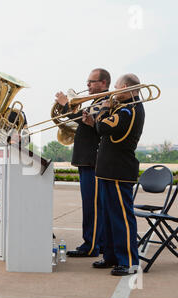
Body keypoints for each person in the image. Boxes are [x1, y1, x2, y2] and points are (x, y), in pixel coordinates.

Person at [84, 73, 144, 276]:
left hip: (119, 170)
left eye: (116, 87)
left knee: (121, 218)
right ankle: (111, 256)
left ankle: (128, 262)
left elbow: (103, 127)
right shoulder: (123, 107)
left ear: (126, 87)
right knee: (108, 217)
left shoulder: (129, 109)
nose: (113, 91)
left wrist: (102, 111)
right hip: (107, 170)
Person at [54, 68, 111, 257]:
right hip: (86, 159)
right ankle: (98, 242)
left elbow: (82, 117)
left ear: (103, 83)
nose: (87, 85)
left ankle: (91, 245)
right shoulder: (95, 101)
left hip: (91, 160)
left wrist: (64, 106)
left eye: (91, 82)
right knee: (93, 205)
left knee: (91, 206)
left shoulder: (105, 101)